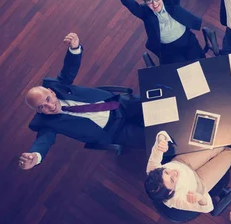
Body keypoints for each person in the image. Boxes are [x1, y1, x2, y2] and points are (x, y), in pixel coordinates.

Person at [19, 33, 145, 170]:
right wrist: (35, 156)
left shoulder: (57, 86)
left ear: (52, 92)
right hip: (115, 131)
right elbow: (43, 141)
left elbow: (68, 71)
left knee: (162, 103)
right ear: (38, 111)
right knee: (155, 138)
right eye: (41, 107)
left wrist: (74, 49)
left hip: (120, 105)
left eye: (48, 99)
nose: (50, 106)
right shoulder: (46, 123)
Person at [145, 131, 231, 213]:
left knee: (217, 144)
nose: (174, 172)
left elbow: (161, 134)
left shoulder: (153, 171)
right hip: (199, 183)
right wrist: (200, 198)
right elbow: (208, 208)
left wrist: (161, 140)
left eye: (166, 172)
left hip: (183, 162)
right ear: (170, 192)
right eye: (172, 180)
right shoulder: (178, 201)